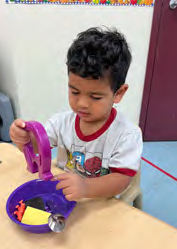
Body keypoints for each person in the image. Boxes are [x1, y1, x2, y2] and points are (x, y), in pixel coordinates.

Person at [10, 27, 143, 201]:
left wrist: (86, 187)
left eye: (95, 97)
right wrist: (24, 138)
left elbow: (121, 180)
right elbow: (36, 148)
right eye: (74, 92)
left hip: (103, 199)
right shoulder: (61, 122)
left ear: (118, 93)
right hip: (66, 194)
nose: (82, 104)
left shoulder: (127, 135)